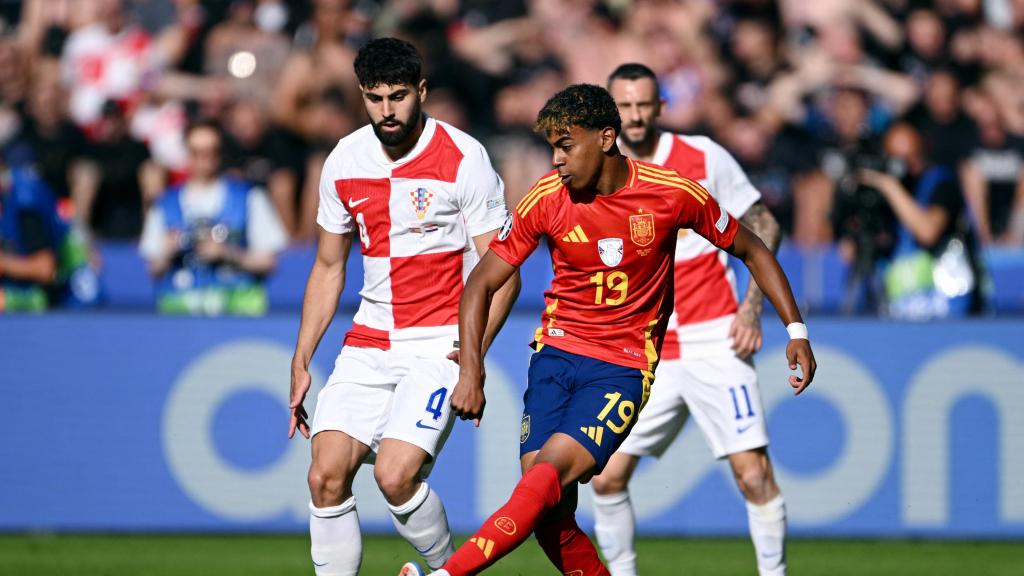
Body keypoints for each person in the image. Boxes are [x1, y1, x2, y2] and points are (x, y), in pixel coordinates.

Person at [400, 84, 816, 576]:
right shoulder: (545, 199)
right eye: (552, 146)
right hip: (554, 359)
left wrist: (796, 329)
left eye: (565, 145)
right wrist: (472, 370)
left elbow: (753, 248)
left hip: (621, 367)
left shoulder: (670, 193)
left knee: (544, 478)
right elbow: (481, 283)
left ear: (605, 137)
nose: (556, 159)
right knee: (547, 509)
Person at [288, 38, 519, 576]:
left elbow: (502, 271)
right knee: (324, 475)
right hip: (370, 340)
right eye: (374, 98)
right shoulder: (344, 160)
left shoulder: (463, 158)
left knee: (394, 476)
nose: (387, 111)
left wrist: (472, 359)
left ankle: (448, 571)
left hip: (440, 342)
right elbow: (327, 267)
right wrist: (302, 360)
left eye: (397, 96)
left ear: (421, 91)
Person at [588, 62, 786, 576]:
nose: (634, 116)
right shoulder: (599, 168)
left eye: (642, 105)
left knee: (753, 475)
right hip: (644, 350)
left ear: (660, 107)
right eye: (624, 106)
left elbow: (763, 222)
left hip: (713, 339)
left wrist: (751, 309)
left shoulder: (702, 155)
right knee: (605, 477)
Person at [138, 119, 287, 315]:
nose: (204, 159)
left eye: (211, 151)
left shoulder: (249, 197)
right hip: (180, 307)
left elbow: (269, 262)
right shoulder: (165, 203)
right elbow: (153, 269)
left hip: (238, 306)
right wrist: (167, 252)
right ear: (187, 153)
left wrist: (227, 253)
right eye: (197, 152)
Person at [858, 122, 985, 319]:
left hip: (950, 310)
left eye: (910, 156)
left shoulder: (942, 183)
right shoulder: (882, 200)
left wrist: (889, 187)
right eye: (894, 157)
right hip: (901, 311)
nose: (904, 165)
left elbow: (927, 232)